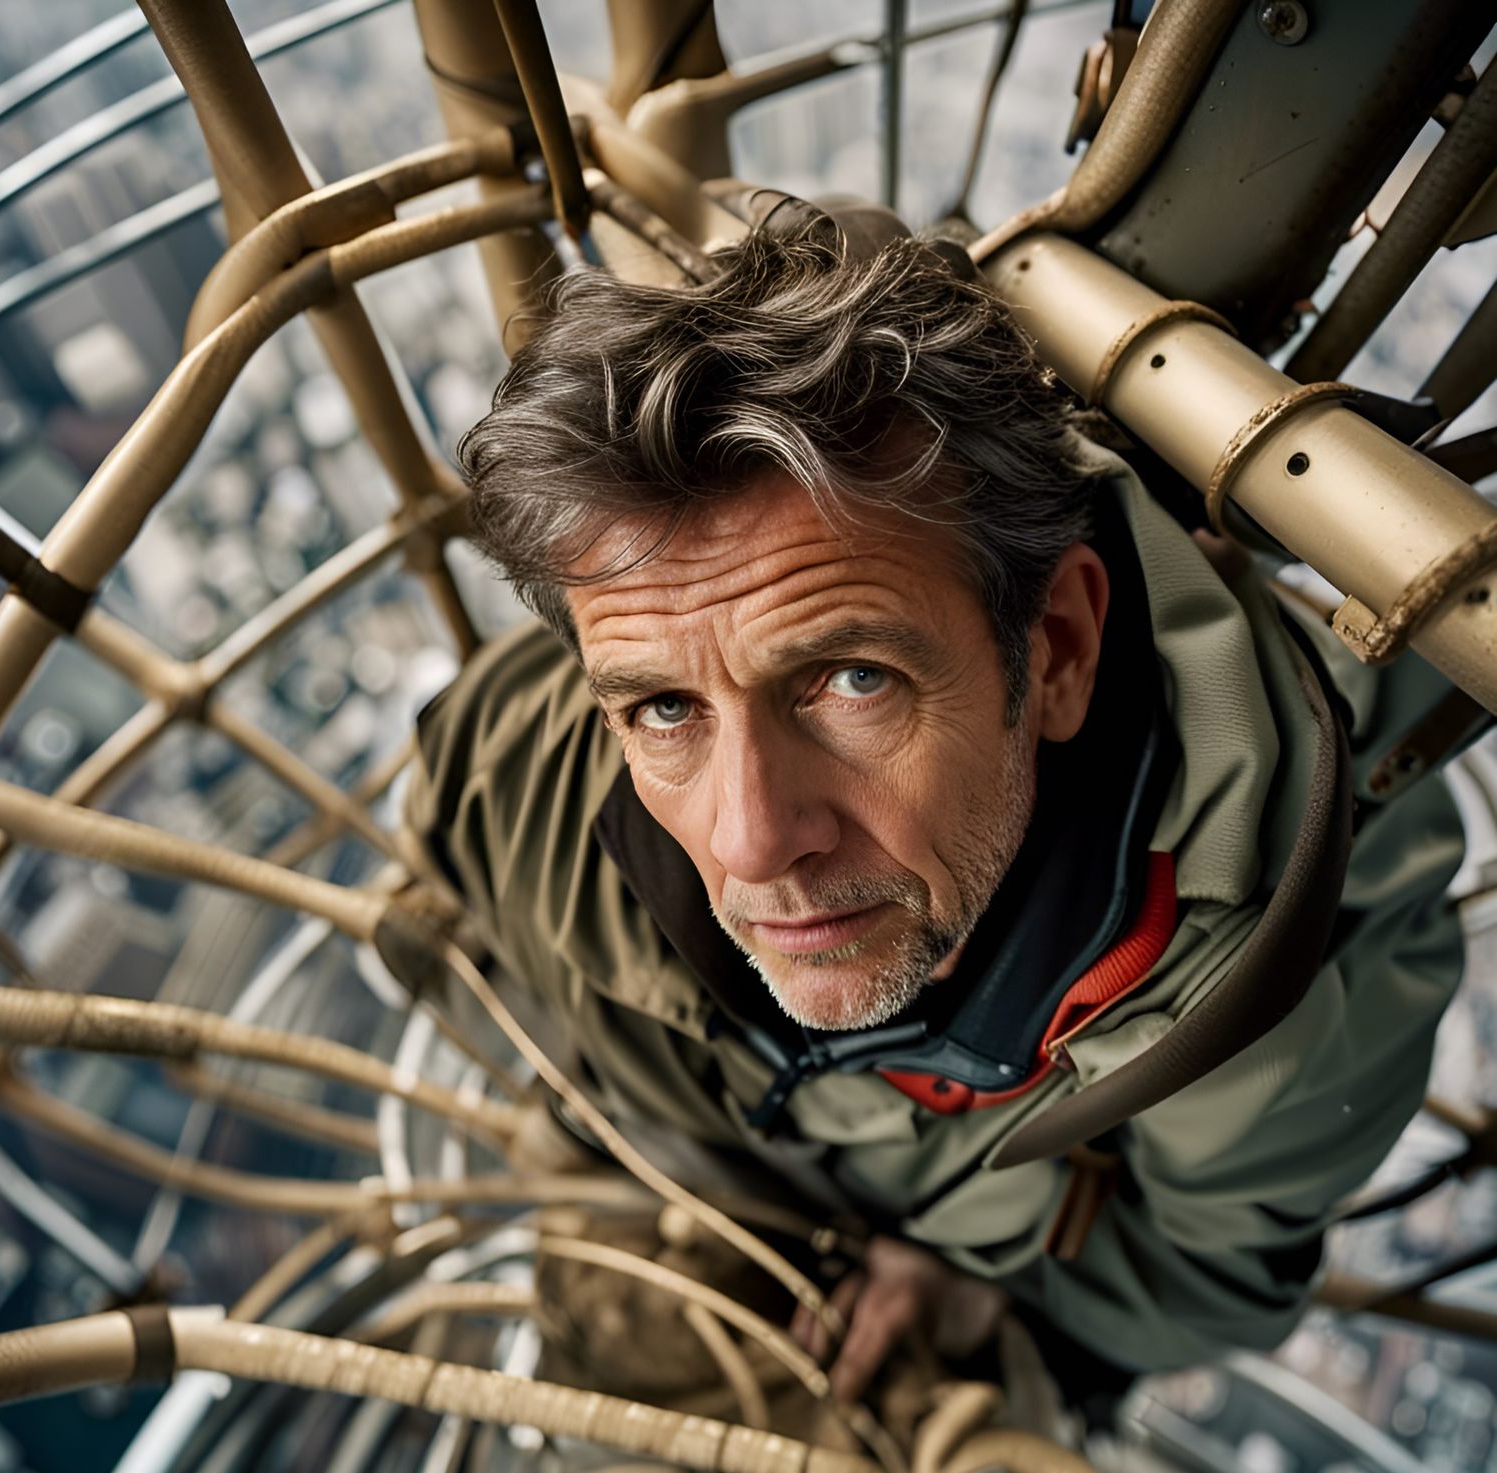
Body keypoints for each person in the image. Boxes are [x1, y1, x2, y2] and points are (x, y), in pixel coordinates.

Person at [400, 202, 1465, 1405]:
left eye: (852, 681)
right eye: (659, 709)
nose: (750, 839)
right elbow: (446, 844)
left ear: (1057, 649)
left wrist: (976, 1284)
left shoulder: (1251, 1002)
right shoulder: (533, 785)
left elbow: (1200, 1281)